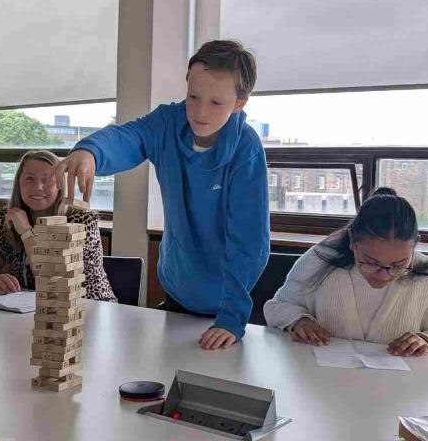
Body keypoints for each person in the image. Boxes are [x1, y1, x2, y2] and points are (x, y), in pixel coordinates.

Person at [54, 40, 269, 350]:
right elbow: (130, 137)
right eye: (193, 97)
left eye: (216, 103)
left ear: (239, 103)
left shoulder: (246, 149)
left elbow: (249, 240)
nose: (200, 111)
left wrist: (232, 317)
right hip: (177, 288)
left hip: (227, 302)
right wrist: (90, 152)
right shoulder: (167, 122)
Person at [264, 187, 428, 357]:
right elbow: (278, 306)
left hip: (404, 389)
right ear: (352, 240)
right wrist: (298, 320)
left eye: (398, 265)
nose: (384, 275)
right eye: (371, 263)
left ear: (415, 245)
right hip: (325, 383)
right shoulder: (320, 261)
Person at [0, 150, 117, 302]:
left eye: (47, 180)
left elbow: (51, 279)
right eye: (29, 179)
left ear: (60, 184)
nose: (38, 187)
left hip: (88, 306)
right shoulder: (12, 217)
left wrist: (26, 232)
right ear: (18, 183)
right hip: (34, 308)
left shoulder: (82, 221)